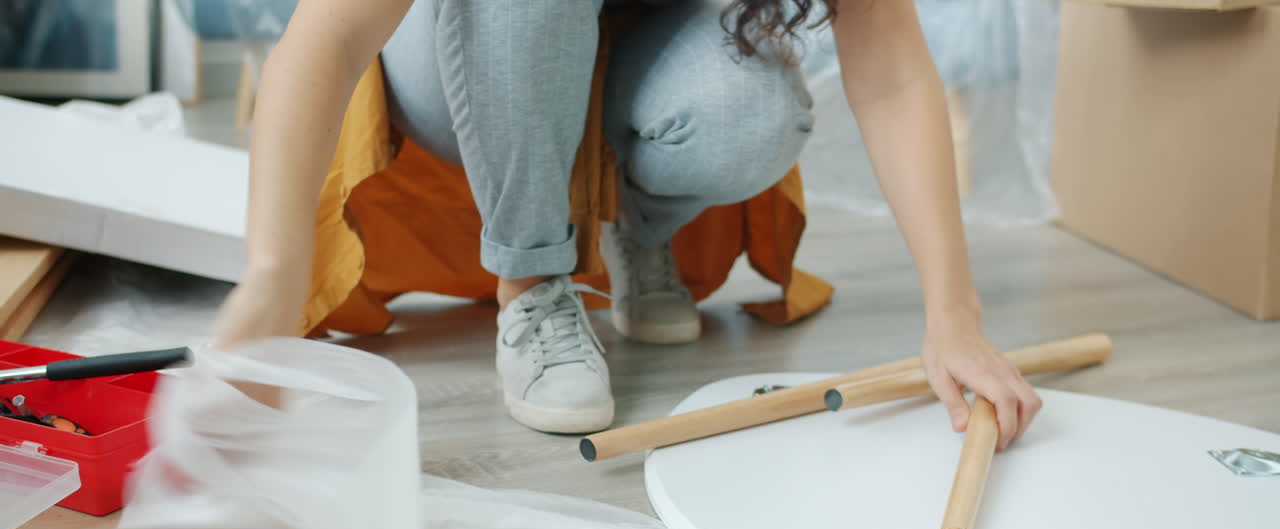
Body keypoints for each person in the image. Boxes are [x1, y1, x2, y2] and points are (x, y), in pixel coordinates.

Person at [212, 0, 1041, 449]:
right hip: (467, 63)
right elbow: (327, 32)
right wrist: (275, 277)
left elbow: (892, 70)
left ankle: (639, 233)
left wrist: (953, 316)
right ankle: (532, 281)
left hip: (616, 69)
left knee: (750, 111)